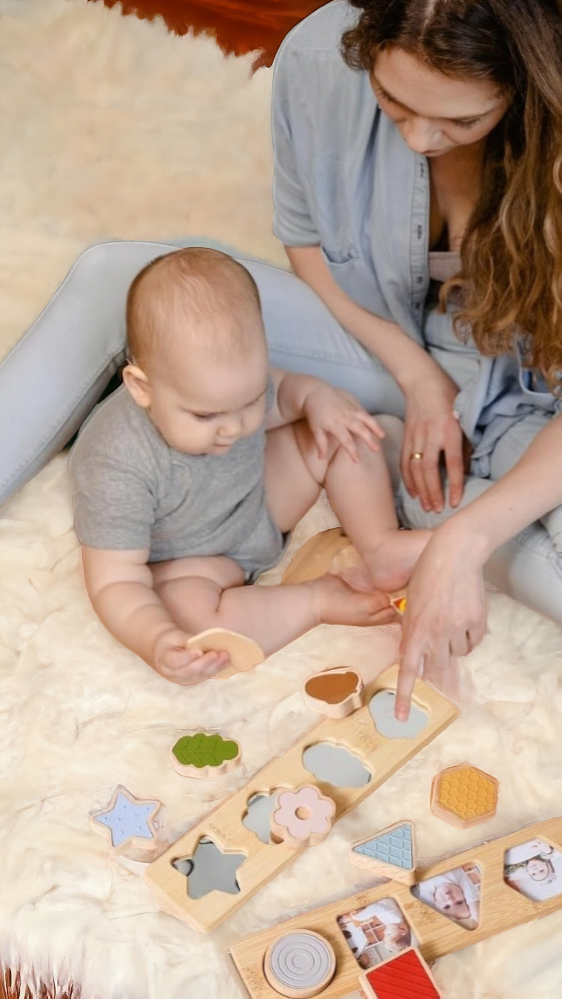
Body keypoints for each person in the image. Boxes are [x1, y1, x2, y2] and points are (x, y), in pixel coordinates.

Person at [0, 0, 562, 714]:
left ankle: (410, 484)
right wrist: (417, 378)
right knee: (117, 279)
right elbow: (306, 241)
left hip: (532, 396)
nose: (420, 138)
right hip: (369, 341)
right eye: (395, 104)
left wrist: (465, 540)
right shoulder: (319, 57)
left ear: (530, 85)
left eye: (463, 117)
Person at [71, 247, 418, 683]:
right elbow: (114, 582)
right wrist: (155, 638)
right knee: (194, 629)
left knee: (341, 428)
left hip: (261, 498)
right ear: (142, 387)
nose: (234, 428)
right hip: (194, 559)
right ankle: (314, 602)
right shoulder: (115, 462)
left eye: (251, 400)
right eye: (206, 416)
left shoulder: (231, 386)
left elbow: (289, 389)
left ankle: (380, 544)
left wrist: (317, 398)